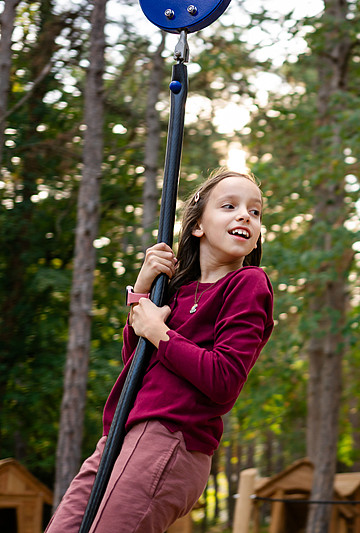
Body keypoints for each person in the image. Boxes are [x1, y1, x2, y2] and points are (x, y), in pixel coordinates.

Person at [47, 168, 274, 532]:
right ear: (197, 225)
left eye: (255, 211)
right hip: (120, 434)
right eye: (229, 206)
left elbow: (224, 380)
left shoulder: (248, 284)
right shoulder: (177, 293)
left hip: (170, 437)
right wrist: (142, 288)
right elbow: (134, 363)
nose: (245, 215)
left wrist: (159, 331)